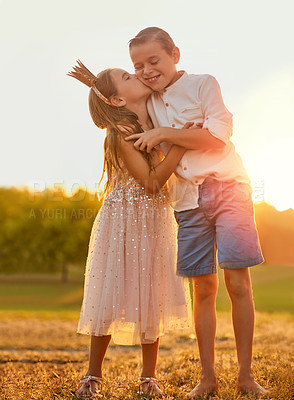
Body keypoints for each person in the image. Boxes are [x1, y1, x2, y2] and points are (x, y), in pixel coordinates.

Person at [126, 27, 267, 397]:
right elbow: (118, 96)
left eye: (153, 61)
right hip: (187, 201)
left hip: (229, 189)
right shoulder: (149, 103)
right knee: (203, 288)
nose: (146, 70)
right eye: (138, 65)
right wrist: (177, 132)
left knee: (238, 283)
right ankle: (208, 377)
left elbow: (216, 136)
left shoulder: (204, 84)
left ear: (175, 53)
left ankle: (246, 375)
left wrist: (163, 134)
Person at [67, 60, 191, 398]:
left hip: (154, 219)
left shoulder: (154, 112)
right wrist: (179, 142)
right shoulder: (123, 133)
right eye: (127, 76)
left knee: (154, 291)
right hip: (125, 218)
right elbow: (151, 182)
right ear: (118, 101)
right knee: (110, 293)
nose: (136, 75)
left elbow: (129, 93)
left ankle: (148, 377)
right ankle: (93, 374)